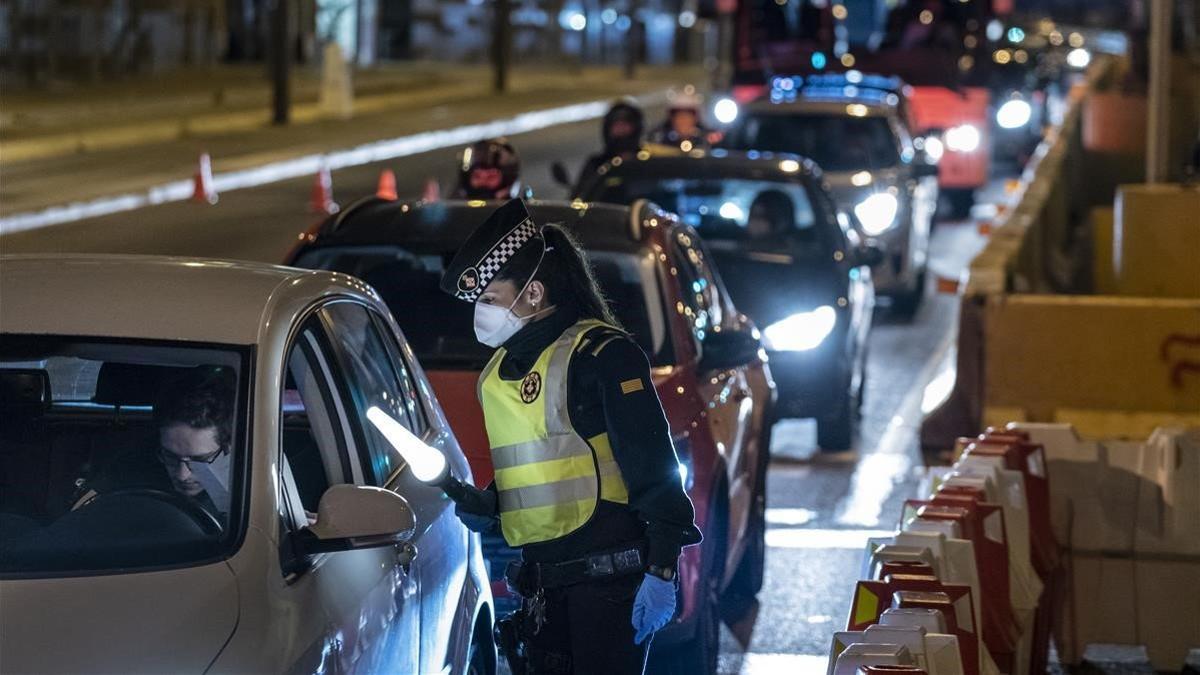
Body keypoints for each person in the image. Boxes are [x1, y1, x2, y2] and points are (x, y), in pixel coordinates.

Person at [438, 199, 701, 674]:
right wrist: (493, 502)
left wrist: (663, 568)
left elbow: (651, 463)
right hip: (543, 587)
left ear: (534, 292)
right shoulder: (500, 371)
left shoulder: (603, 354)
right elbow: (547, 462)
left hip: (609, 587)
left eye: (490, 299)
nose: (481, 313)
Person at [72, 367, 234, 522]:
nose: (182, 475)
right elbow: (79, 515)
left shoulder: (249, 483)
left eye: (199, 460)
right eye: (170, 457)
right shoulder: (131, 466)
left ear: (227, 448)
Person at [575, 99, 645, 191]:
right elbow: (580, 198)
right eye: (617, 126)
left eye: (625, 125)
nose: (621, 131)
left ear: (636, 128)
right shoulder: (597, 165)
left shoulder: (648, 162)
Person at [455, 137, 525, 200]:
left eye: (491, 177)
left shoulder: (525, 212)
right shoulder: (450, 210)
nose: (482, 182)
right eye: (477, 176)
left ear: (507, 181)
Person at [648, 88, 713, 148]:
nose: (683, 121)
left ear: (696, 119)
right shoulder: (658, 139)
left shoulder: (706, 140)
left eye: (687, 117)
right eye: (679, 117)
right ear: (672, 119)